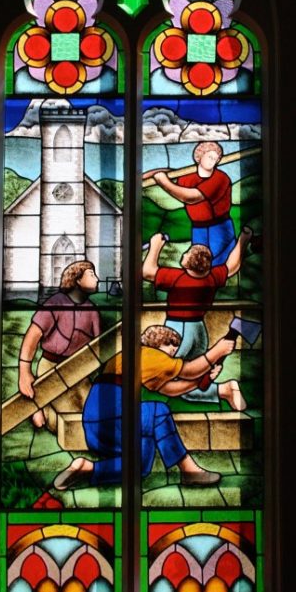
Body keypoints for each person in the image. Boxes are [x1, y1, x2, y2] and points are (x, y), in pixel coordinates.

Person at [52, 325, 236, 491]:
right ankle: (189, 471)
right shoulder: (145, 354)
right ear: (159, 344)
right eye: (171, 351)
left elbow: (170, 389)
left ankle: (87, 468)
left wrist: (200, 382)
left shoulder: (140, 364)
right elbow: (189, 370)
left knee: (140, 465)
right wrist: (217, 351)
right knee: (159, 411)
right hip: (112, 414)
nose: (171, 358)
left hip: (99, 429)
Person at [143, 230, 251, 409]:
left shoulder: (178, 278)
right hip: (199, 330)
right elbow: (232, 266)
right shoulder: (212, 278)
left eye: (186, 253)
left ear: (189, 262)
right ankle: (225, 390)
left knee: (169, 378)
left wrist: (155, 246)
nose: (184, 254)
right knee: (196, 373)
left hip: (178, 330)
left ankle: (224, 390)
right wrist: (242, 241)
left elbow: (147, 272)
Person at [18, 260, 100, 430]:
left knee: (92, 411)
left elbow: (99, 345)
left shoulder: (92, 310)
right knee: (63, 420)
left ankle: (41, 406)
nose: (97, 279)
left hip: (79, 370)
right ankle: (40, 407)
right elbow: (32, 336)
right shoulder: (56, 303)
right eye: (92, 275)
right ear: (77, 279)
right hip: (51, 367)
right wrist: (24, 373)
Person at [150, 141, 235, 265]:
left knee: (219, 262)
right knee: (197, 264)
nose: (213, 161)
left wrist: (163, 181)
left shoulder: (220, 178)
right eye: (210, 156)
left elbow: (191, 197)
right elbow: (168, 172)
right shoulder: (187, 176)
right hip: (198, 228)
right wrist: (152, 175)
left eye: (216, 158)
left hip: (219, 228)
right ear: (199, 156)